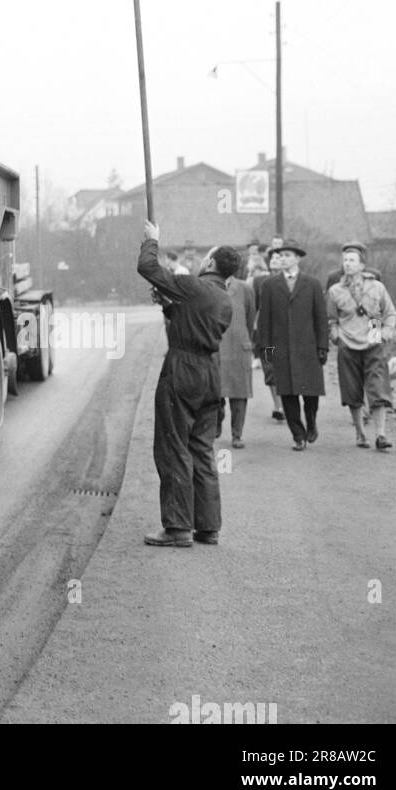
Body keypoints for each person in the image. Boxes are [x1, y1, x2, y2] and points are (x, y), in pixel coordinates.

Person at [138, 221, 236, 547]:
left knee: (173, 445)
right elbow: (194, 322)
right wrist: (168, 306)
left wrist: (152, 240)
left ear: (209, 264)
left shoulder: (193, 286)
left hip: (182, 368)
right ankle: (208, 527)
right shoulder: (224, 298)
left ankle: (178, 527)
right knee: (202, 449)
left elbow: (147, 267)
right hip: (209, 373)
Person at [254, 239, 328, 450]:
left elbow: (320, 318)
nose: (283, 259)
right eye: (280, 255)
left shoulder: (312, 284)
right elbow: (264, 321)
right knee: (287, 393)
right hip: (281, 349)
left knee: (311, 393)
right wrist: (267, 353)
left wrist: (322, 347)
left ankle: (311, 423)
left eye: (287, 255)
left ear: (297, 258)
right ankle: (298, 435)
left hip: (308, 348)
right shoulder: (269, 285)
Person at [327, 241, 396, 451]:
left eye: (352, 260)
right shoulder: (335, 290)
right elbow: (331, 318)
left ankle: (381, 435)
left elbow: (389, 312)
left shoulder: (376, 286)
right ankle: (360, 433)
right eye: (345, 260)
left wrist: (386, 332)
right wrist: (335, 334)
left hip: (373, 334)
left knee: (378, 387)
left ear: (362, 265)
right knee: (352, 390)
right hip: (348, 342)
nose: (347, 264)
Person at [218, 254, 257, 449]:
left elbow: (250, 319)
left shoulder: (245, 288)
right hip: (216, 348)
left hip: (239, 347)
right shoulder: (209, 286)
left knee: (239, 394)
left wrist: (245, 339)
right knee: (215, 392)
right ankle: (215, 424)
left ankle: (237, 434)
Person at [250, 248, 286, 422]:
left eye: (279, 257)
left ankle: (287, 404)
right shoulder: (259, 281)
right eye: (272, 257)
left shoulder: (291, 282)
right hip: (267, 336)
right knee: (270, 368)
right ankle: (277, 405)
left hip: (286, 335)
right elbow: (255, 308)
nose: (275, 260)